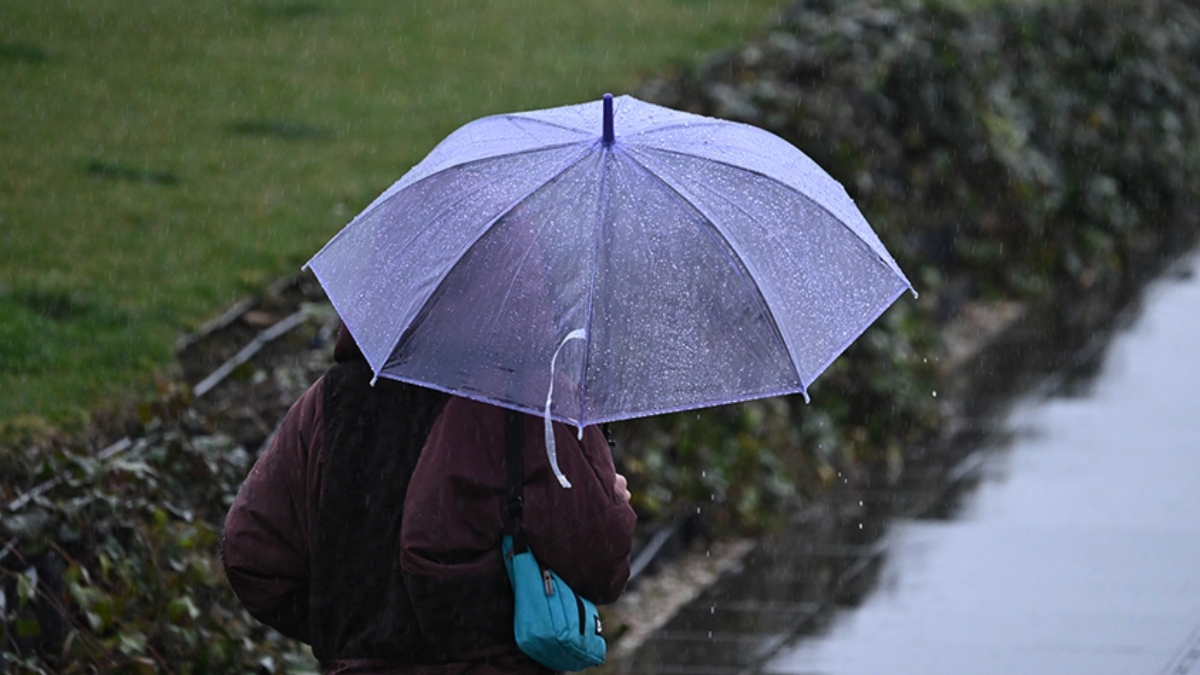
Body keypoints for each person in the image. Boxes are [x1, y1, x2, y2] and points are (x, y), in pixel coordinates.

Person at [221, 326, 637, 675]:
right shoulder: (525, 399)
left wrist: (354, 634)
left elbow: (252, 553)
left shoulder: (334, 399)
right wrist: (610, 502)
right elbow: (600, 561)